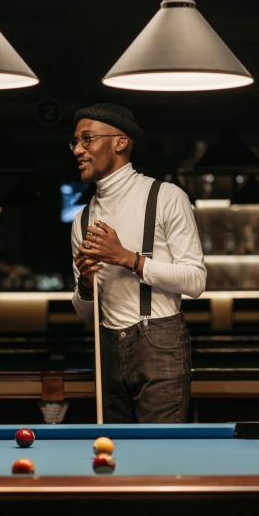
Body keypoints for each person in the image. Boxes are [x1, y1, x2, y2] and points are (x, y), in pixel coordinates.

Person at [70, 103, 207, 423]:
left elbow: (196, 280)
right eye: (75, 141)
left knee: (163, 456)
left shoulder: (166, 196)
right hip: (107, 349)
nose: (78, 149)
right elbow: (87, 315)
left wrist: (129, 259)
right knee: (113, 456)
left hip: (159, 344)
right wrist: (86, 286)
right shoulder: (82, 219)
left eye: (87, 139)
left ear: (120, 142)